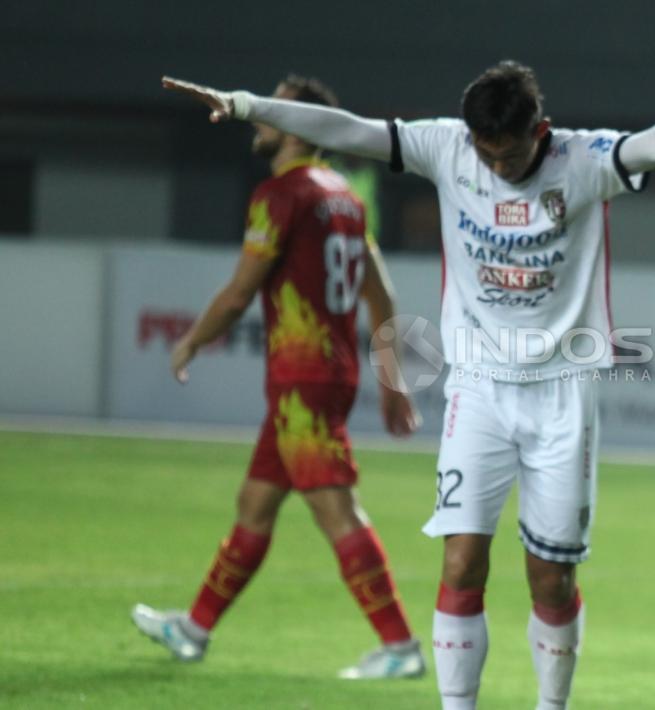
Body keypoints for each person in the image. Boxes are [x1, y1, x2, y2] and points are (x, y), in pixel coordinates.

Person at [163, 61, 655, 710]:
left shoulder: (582, 160)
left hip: (561, 392)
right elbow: (345, 130)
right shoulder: (448, 148)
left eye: (510, 154)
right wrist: (243, 104)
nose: (495, 167)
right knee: (462, 563)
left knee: (550, 578)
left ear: (539, 131)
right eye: (485, 153)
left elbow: (653, 142)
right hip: (478, 389)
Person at [132, 75, 426, 680]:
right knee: (256, 503)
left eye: (272, 111)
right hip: (325, 374)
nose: (260, 119)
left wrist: (191, 339)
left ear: (299, 128)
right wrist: (392, 383)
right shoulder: (346, 196)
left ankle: (400, 648)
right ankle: (195, 627)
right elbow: (381, 292)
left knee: (335, 509)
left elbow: (242, 292)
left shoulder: (282, 196)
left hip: (304, 378)